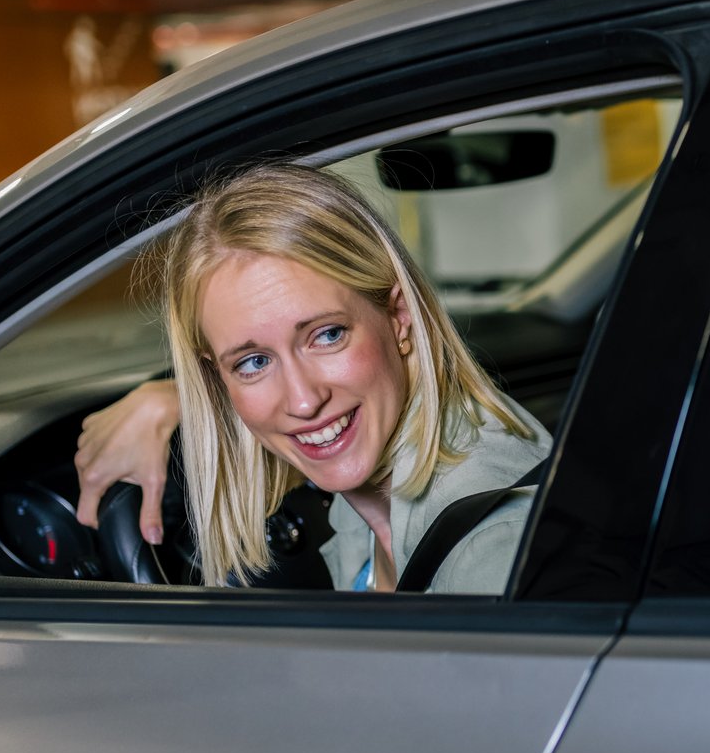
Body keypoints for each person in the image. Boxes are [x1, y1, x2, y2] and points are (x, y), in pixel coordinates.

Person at [73, 162, 550, 593]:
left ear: (399, 316)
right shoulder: (374, 499)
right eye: (253, 362)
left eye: (327, 335)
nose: (303, 401)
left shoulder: (491, 550)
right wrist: (165, 401)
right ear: (217, 379)